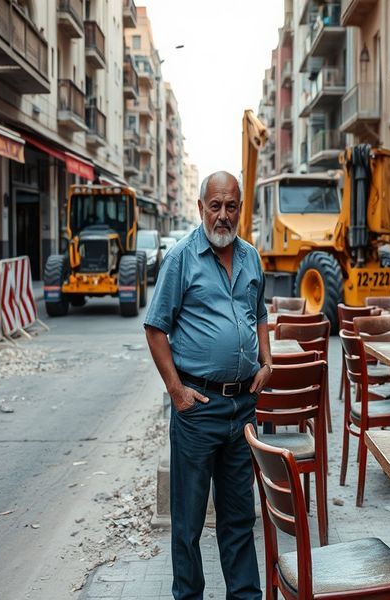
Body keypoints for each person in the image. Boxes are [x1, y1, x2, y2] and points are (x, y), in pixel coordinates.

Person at [144, 171, 271, 600]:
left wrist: (266, 361)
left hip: (242, 410)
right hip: (197, 410)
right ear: (201, 208)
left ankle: (245, 597)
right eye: (214, 206)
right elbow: (155, 329)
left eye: (230, 206)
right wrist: (177, 392)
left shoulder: (252, 257)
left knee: (239, 519)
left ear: (240, 209)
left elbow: (260, 313)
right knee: (188, 523)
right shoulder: (181, 258)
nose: (222, 215)